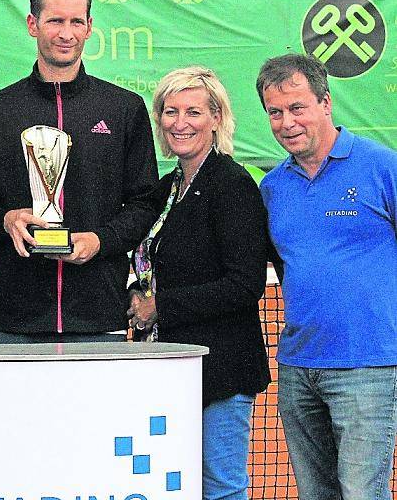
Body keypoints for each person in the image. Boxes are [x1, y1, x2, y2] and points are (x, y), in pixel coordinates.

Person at [0, 0, 158, 344]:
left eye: (75, 22)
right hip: (13, 324)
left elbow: (144, 204)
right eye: (55, 21)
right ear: (33, 24)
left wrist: (99, 241)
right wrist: (6, 220)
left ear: (89, 27)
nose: (65, 33)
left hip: (99, 320)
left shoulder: (124, 109)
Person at [257, 53, 397, 500]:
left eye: (297, 107)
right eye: (275, 112)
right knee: (315, 494)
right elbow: (284, 266)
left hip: (368, 365)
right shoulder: (273, 187)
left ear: (326, 103)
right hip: (298, 369)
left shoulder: (382, 166)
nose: (286, 122)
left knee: (361, 493)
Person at [127, 66, 271, 500]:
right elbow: (146, 255)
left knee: (221, 489)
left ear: (216, 119)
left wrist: (160, 306)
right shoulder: (168, 187)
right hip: (173, 368)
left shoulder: (233, 185)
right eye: (170, 111)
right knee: (176, 486)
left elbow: (245, 285)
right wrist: (136, 288)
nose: (180, 122)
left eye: (193, 111)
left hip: (222, 370)